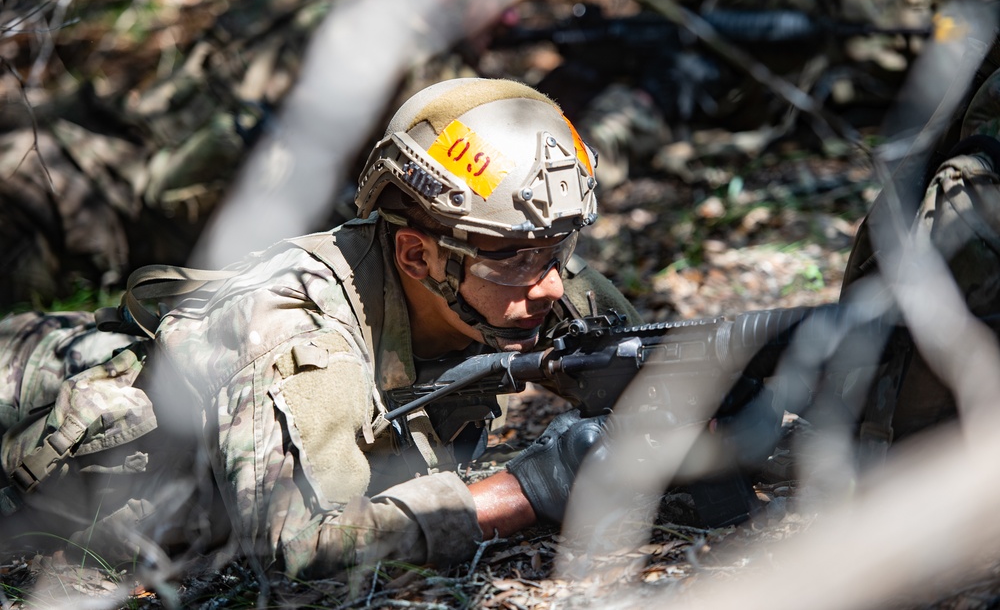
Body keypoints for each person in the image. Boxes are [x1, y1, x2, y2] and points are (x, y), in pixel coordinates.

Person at [0, 77, 641, 579]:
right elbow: (304, 546)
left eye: (558, 248)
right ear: (417, 255)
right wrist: (529, 488)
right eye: (516, 257)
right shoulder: (295, 326)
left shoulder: (505, 261)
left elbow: (652, 368)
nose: (552, 283)